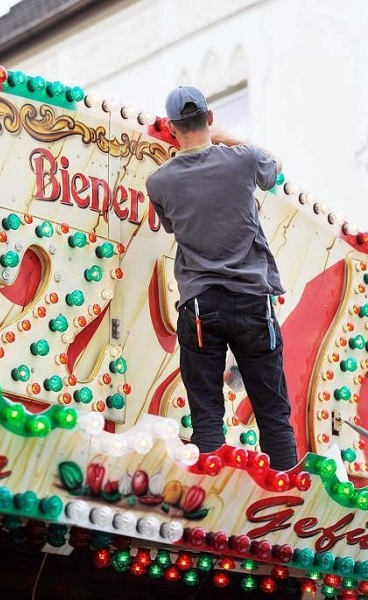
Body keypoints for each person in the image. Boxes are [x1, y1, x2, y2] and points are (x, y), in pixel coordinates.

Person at [145, 86, 298, 472]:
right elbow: (274, 168)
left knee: (207, 415)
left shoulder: (160, 183)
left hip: (199, 307)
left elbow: (170, 224)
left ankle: (212, 495)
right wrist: (228, 138)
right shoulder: (242, 161)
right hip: (251, 301)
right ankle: (285, 500)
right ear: (209, 119)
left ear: (172, 127)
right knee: (272, 411)